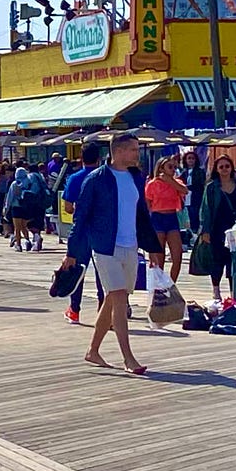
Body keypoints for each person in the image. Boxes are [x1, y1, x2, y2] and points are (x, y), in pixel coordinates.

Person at [61, 133, 159, 373]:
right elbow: (80, 218)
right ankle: (129, 358)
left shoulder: (136, 177)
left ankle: (93, 351)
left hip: (130, 245)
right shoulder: (96, 180)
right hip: (105, 247)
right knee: (119, 297)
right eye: (134, 150)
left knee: (113, 299)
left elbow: (141, 215)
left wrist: (154, 247)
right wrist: (72, 251)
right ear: (120, 151)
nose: (138, 154)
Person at [62, 142, 104, 325]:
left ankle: (75, 310)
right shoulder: (105, 177)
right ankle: (104, 310)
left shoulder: (75, 178)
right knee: (103, 273)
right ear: (99, 158)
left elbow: (68, 207)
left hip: (80, 232)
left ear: (81, 157)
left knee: (77, 271)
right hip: (103, 231)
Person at [200, 153, 236, 303]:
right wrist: (205, 230)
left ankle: (234, 292)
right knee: (217, 261)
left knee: (235, 260)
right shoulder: (212, 187)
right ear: (216, 169)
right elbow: (205, 209)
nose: (224, 169)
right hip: (217, 228)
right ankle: (216, 291)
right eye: (221, 166)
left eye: (227, 166)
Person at [145, 154, 188, 280]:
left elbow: (184, 191)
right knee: (159, 256)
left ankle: (171, 284)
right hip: (157, 218)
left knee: (177, 254)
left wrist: (170, 180)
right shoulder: (153, 184)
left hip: (172, 217)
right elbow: (148, 203)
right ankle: (159, 286)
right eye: (170, 167)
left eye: (175, 167)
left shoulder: (176, 182)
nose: (173, 169)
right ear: (161, 168)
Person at [180, 149, 206, 235]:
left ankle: (195, 231)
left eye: (192, 158)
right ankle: (190, 231)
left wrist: (189, 187)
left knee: (195, 214)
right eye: (189, 158)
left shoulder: (200, 171)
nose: (191, 160)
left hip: (196, 196)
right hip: (186, 196)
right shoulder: (184, 172)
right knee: (188, 214)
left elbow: (201, 184)